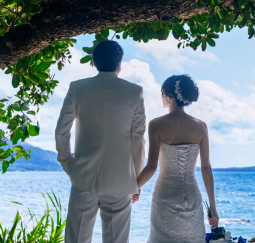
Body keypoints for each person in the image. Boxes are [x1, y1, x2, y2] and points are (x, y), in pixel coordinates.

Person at [55, 40, 146, 243]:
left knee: (76, 239)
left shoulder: (77, 88)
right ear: (119, 63)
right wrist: (136, 180)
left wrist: (68, 164)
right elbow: (138, 140)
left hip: (83, 177)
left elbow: (62, 131)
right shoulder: (134, 92)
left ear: (94, 62)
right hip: (121, 179)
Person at [137, 74, 219, 243]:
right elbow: (206, 169)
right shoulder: (201, 126)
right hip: (192, 195)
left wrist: (134, 186)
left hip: (165, 195)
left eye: (162, 93)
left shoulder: (156, 125)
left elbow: (151, 167)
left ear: (169, 96)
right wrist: (213, 207)